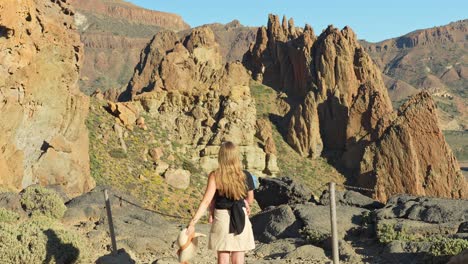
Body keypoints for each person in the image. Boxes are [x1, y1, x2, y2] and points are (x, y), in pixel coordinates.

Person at [186, 141, 255, 264]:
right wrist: (245, 203)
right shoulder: (245, 175)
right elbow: (250, 199)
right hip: (241, 216)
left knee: (223, 257)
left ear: (221, 156)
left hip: (221, 217)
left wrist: (193, 222)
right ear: (236, 156)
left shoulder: (215, 175)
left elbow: (206, 200)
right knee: (238, 256)